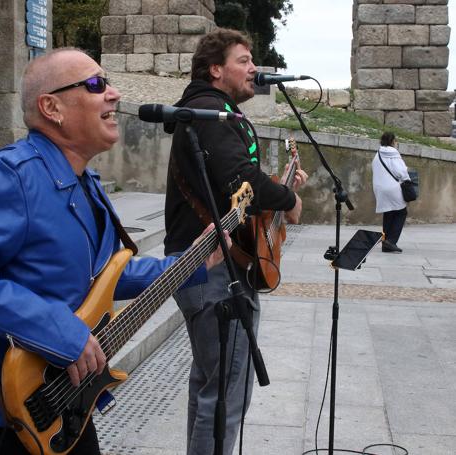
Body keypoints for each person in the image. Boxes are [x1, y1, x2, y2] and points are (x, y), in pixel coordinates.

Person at [0, 48, 228, 455]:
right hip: (8, 406)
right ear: (52, 107)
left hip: (64, 392)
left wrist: (191, 264)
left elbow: (103, 276)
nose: (114, 94)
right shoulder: (11, 174)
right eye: (97, 84)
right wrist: (59, 332)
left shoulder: (86, 181)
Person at [163, 29, 308, 455]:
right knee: (226, 391)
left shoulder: (216, 113)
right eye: (243, 60)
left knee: (212, 385)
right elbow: (241, 182)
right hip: (210, 267)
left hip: (220, 264)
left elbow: (236, 194)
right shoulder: (208, 112)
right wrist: (289, 197)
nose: (254, 69)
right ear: (215, 69)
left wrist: (279, 190)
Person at [372, 132, 409, 253]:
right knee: (401, 212)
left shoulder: (378, 154)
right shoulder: (394, 153)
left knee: (388, 213)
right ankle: (391, 241)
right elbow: (401, 171)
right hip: (393, 188)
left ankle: (385, 243)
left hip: (380, 188)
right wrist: (406, 179)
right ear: (393, 141)